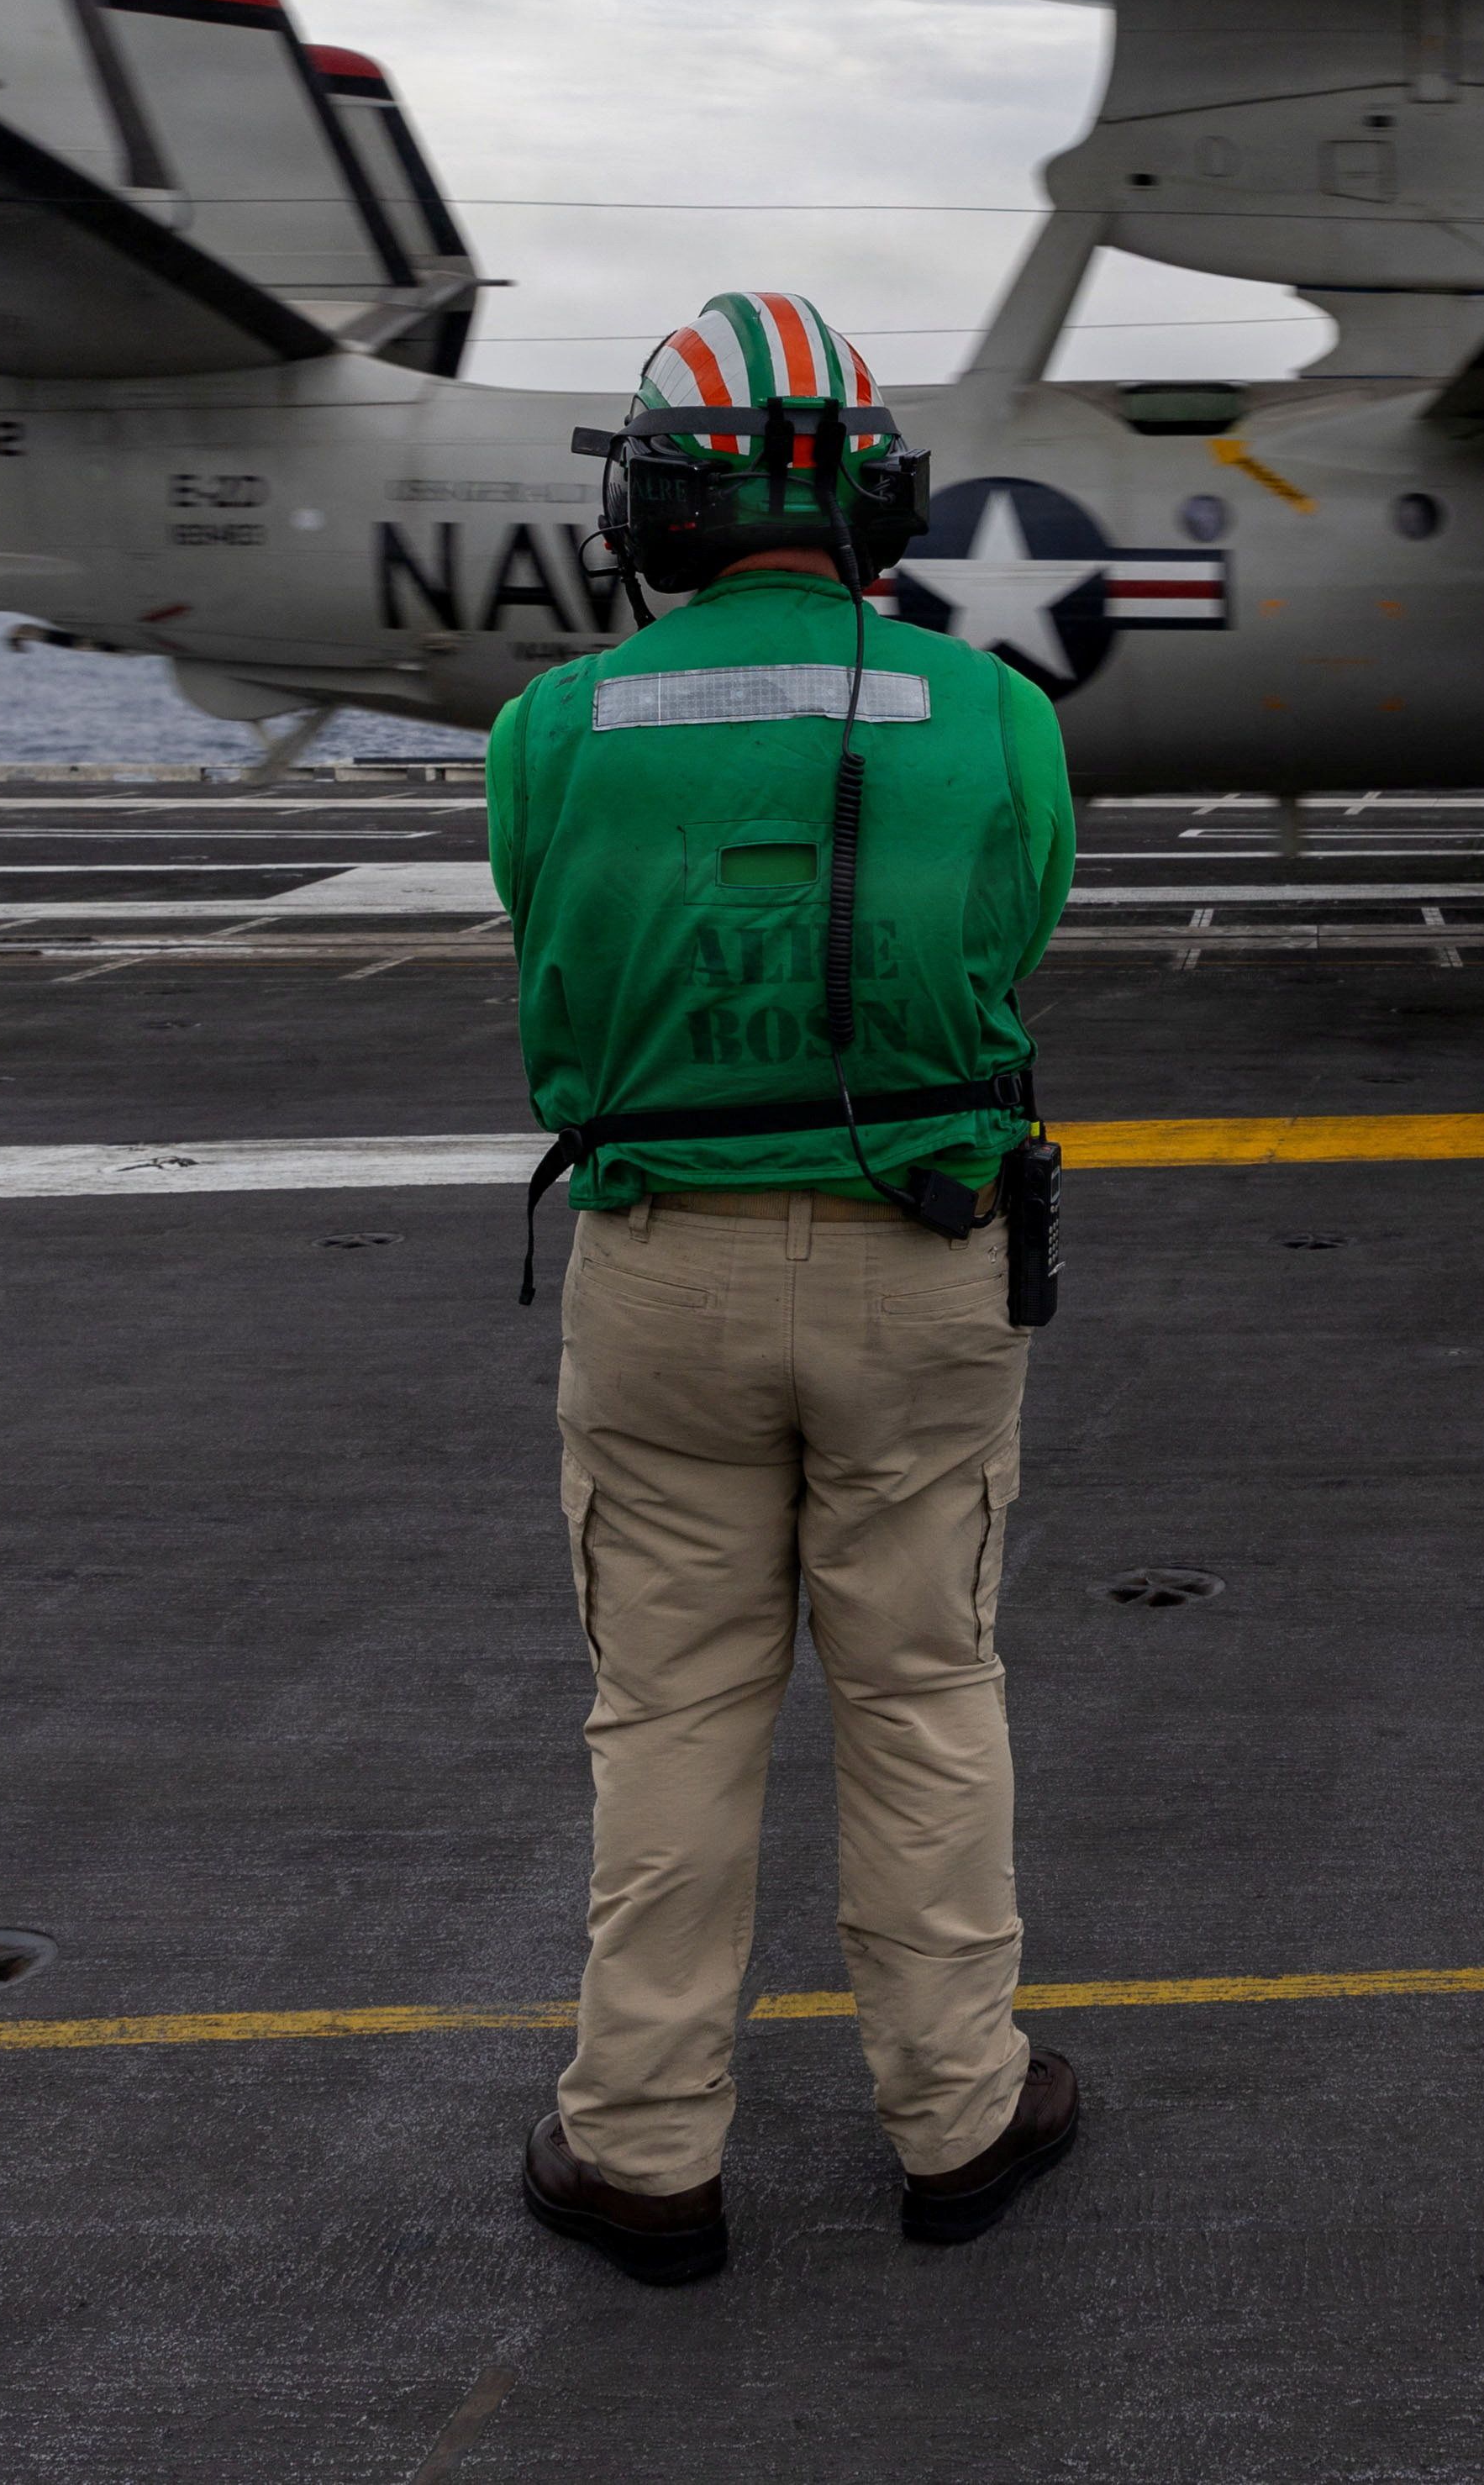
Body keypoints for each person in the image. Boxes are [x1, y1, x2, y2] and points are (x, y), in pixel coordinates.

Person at [487, 293, 1081, 2284]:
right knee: (924, 1687)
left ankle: (644, 2147)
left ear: (649, 508)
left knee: (668, 1709)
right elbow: (1011, 941)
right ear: (878, 500)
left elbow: (551, 971)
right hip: (927, 1257)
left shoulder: (552, 725)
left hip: (661, 1271)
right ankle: (962, 2115)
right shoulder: (994, 711)